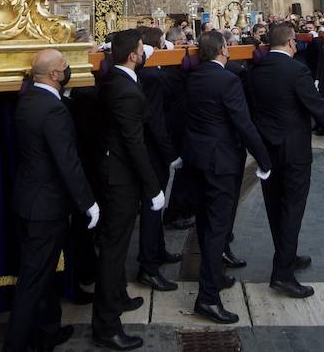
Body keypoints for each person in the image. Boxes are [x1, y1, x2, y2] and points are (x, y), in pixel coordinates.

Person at [247, 22, 324, 298]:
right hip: (294, 151)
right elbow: (317, 107)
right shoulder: (297, 70)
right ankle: (282, 274)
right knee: (292, 208)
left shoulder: (257, 70)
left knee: (275, 206)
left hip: (268, 151)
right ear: (291, 42)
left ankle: (286, 256)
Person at [4, 49, 98, 352]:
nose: (69, 70)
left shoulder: (28, 100)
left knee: (41, 276)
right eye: (65, 66)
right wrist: (88, 202)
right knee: (33, 281)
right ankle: (15, 345)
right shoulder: (53, 110)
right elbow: (67, 162)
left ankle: (47, 332)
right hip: (45, 208)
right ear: (55, 75)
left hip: (26, 201)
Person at [183, 30, 272, 325]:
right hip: (221, 164)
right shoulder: (228, 80)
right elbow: (243, 123)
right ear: (222, 50)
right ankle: (207, 298)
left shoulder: (193, 77)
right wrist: (263, 158)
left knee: (207, 224)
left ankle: (215, 277)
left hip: (198, 160)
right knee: (217, 229)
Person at [90, 30, 162, 351]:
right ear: (133, 56)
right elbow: (134, 144)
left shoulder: (113, 81)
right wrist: (152, 187)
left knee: (113, 243)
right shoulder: (126, 91)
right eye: (141, 50)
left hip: (110, 170)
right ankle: (106, 326)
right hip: (120, 179)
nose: (145, 53)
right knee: (114, 248)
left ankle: (117, 296)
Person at [135, 28, 182, 293]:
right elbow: (156, 120)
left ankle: (158, 249)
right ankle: (148, 266)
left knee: (157, 203)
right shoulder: (153, 76)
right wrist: (170, 154)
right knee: (153, 205)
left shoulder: (150, 71)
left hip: (153, 149)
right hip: (153, 151)